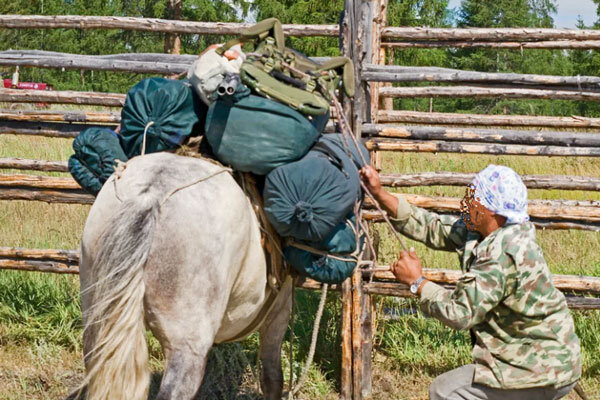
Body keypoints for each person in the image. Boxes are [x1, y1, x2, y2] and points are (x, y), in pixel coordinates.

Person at [360, 164, 581, 400]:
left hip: (539, 369)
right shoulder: (484, 230)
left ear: (493, 211)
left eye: (474, 197)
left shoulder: (503, 254)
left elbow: (460, 312)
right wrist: (380, 194)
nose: (465, 204)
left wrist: (417, 282)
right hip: (532, 357)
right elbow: (434, 228)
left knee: (445, 392)